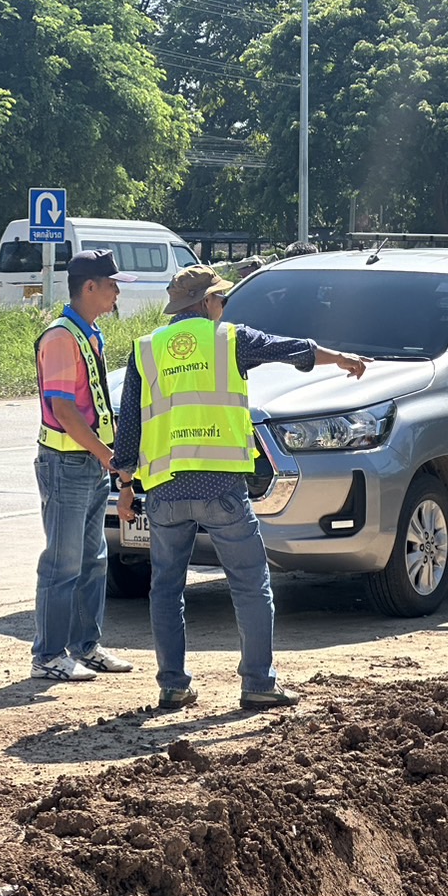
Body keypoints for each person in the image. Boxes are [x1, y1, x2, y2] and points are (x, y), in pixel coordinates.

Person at [111, 265, 369, 710]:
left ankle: (172, 685)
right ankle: (258, 683)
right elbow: (291, 349)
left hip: (165, 492)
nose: (224, 305)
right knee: (250, 585)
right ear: (206, 302)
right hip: (221, 488)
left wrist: (127, 485)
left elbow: (130, 425)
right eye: (221, 298)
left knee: (166, 590)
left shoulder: (146, 349)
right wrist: (342, 358)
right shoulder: (229, 339)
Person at [31, 249, 138, 681]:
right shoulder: (62, 337)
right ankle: (48, 656)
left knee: (93, 560)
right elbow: (64, 411)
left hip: (88, 463)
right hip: (67, 463)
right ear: (89, 287)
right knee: (63, 563)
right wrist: (106, 456)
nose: (116, 294)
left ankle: (85, 647)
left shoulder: (88, 332)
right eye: (112, 286)